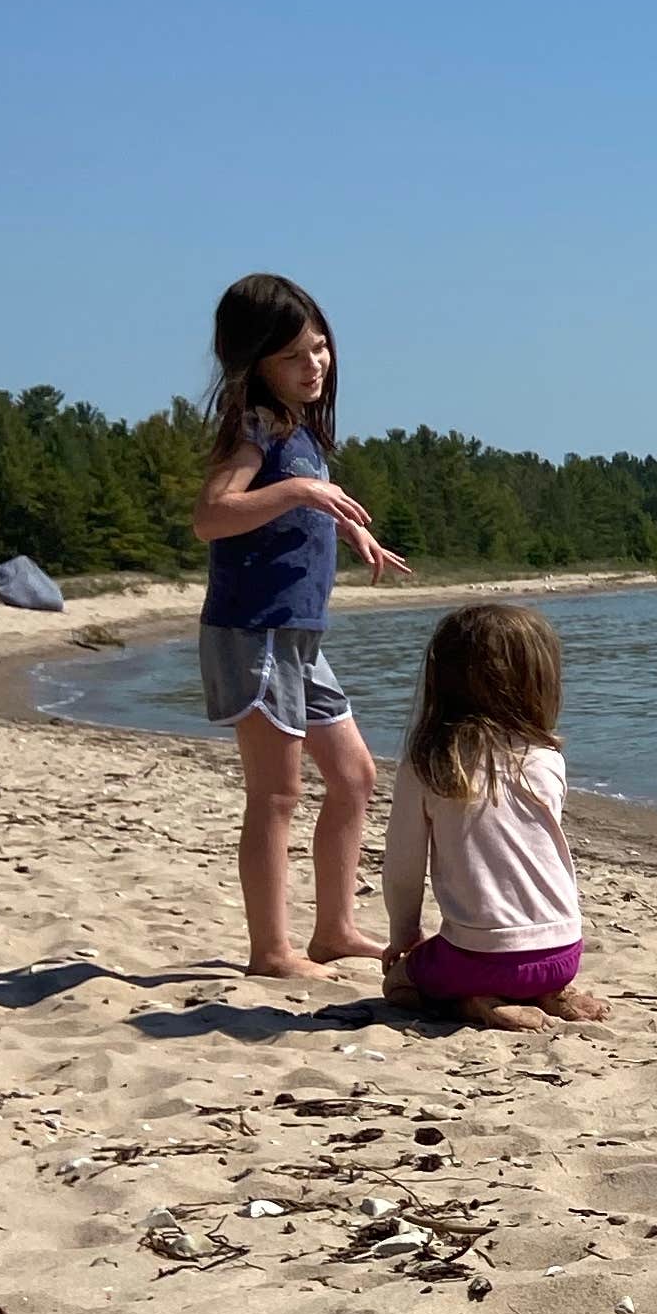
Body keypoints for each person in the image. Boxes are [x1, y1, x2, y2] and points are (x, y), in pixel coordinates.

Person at [192, 273, 406, 979]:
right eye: (293, 356)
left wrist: (348, 529)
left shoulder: (299, 428)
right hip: (253, 630)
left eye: (320, 349)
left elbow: (294, 510)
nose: (314, 365)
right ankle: (269, 952)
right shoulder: (254, 425)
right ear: (253, 363)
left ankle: (335, 929)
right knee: (277, 794)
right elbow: (214, 515)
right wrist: (303, 490)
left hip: (297, 637)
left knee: (353, 778)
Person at [380, 600, 608, 1030]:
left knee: (397, 984)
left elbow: (402, 867)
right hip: (562, 953)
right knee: (517, 961)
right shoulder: (545, 758)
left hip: (476, 958)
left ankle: (475, 1002)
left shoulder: (429, 764)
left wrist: (404, 935)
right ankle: (549, 991)